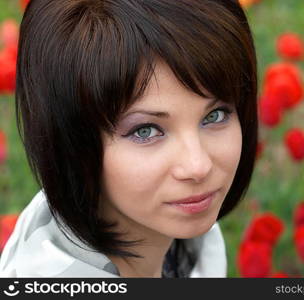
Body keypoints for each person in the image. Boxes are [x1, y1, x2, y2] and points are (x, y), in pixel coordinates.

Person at [0, 0, 258, 278]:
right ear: (73, 140)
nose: (198, 166)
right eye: (145, 131)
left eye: (215, 116)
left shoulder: (185, 242)